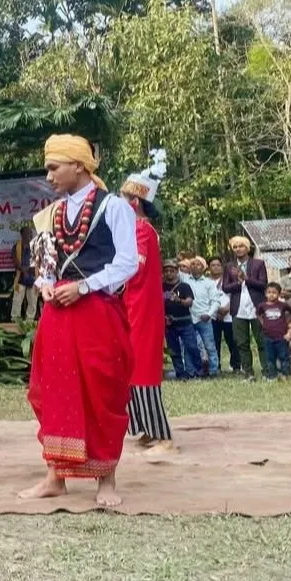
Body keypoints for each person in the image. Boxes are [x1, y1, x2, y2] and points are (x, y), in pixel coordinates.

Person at [18, 135, 137, 508]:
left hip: (98, 312)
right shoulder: (49, 215)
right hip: (58, 315)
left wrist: (84, 287)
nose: (49, 175)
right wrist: (47, 286)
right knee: (54, 391)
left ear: (80, 167)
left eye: (54, 167)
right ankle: (56, 476)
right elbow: (44, 264)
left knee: (102, 391)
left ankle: (107, 479)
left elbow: (128, 262)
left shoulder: (114, 207)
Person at [119, 151, 174, 451]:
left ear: (135, 202)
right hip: (135, 306)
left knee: (142, 368)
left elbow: (135, 268)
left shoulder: (141, 230)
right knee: (133, 366)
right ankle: (148, 428)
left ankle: (162, 434)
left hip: (141, 308)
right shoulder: (140, 229)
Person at [223, 236, 268, 381]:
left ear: (247, 248)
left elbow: (263, 285)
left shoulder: (258, 264)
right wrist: (238, 282)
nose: (238, 249)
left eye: (241, 246)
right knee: (241, 342)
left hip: (256, 307)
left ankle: (267, 371)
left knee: (261, 340)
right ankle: (248, 373)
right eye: (235, 247)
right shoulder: (229, 266)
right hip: (238, 308)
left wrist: (246, 279)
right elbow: (225, 287)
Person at [184, 257, 221, 377]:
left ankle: (214, 370)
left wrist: (209, 314)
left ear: (204, 267)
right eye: (193, 264)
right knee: (189, 347)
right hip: (188, 319)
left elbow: (216, 301)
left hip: (204, 319)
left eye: (198, 264)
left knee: (210, 346)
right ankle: (190, 371)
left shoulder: (209, 283)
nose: (195, 266)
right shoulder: (184, 281)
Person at [163, 260, 198, 379]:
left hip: (185, 322)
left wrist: (179, 300)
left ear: (176, 271)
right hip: (169, 324)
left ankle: (197, 370)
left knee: (192, 347)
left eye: (171, 271)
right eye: (166, 271)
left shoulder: (184, 286)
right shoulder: (159, 287)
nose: (169, 274)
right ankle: (180, 372)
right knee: (174, 350)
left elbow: (190, 302)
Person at [208, 257, 239, 374]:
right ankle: (217, 366)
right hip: (213, 315)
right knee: (214, 342)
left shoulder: (229, 280)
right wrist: (216, 310)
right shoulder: (206, 281)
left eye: (218, 265)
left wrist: (227, 308)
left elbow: (235, 295)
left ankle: (236, 365)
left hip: (229, 314)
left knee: (232, 341)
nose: (215, 267)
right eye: (213, 265)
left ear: (222, 267)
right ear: (208, 267)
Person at [257, 283, 291, 381]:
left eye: (274, 292)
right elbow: (258, 314)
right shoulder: (262, 305)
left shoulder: (282, 305)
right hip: (267, 336)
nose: (271, 295)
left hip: (281, 336)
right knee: (270, 357)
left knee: (284, 356)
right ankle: (272, 376)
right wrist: (263, 322)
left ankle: (285, 375)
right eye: (269, 292)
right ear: (265, 294)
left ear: (279, 294)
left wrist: (287, 322)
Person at [12, 226, 39, 321]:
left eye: (30, 233)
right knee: (17, 300)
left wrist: (29, 270)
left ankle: (29, 321)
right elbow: (15, 261)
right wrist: (24, 271)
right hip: (21, 277)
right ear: (22, 234)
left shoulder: (35, 246)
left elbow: (38, 261)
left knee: (32, 300)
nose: (29, 235)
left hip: (33, 276)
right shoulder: (17, 247)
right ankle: (15, 320)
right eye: (27, 233)